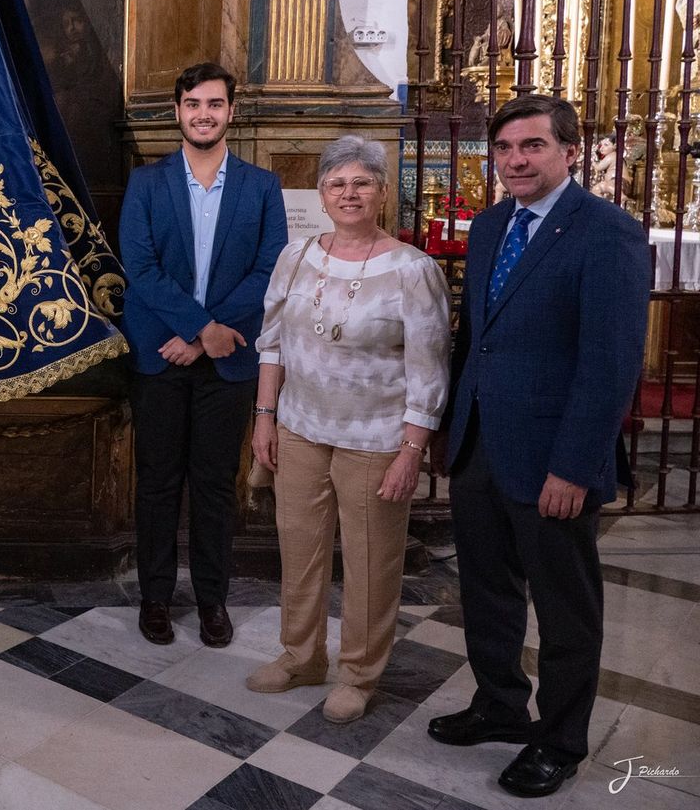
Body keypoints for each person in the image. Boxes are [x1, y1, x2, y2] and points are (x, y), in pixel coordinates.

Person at [428, 95, 649, 798]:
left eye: (531, 146)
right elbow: (476, 337)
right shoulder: (492, 224)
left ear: (569, 151)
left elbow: (610, 362)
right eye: (504, 150)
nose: (515, 160)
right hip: (481, 442)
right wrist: (451, 428)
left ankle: (558, 739)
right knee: (486, 589)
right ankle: (499, 701)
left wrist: (575, 464)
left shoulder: (607, 232)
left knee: (563, 606)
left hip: (553, 455)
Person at [246, 135, 451, 724]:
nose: (349, 193)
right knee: (300, 549)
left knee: (370, 560)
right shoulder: (298, 256)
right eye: (337, 183)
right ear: (322, 193)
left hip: (376, 439)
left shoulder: (413, 270)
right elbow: (272, 342)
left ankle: (359, 673)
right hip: (301, 429)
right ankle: (301, 656)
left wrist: (411, 449)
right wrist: (265, 419)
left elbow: (429, 369)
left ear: (384, 192)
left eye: (362, 182)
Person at [119, 61, 288, 647]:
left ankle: (213, 599)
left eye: (214, 104)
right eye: (193, 104)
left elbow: (270, 269)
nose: (204, 114)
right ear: (178, 112)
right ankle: (156, 599)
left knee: (218, 486)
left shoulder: (261, 187)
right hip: (159, 356)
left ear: (230, 112)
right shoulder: (146, 183)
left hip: (229, 359)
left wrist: (208, 336)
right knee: (159, 483)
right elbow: (139, 269)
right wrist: (196, 330)